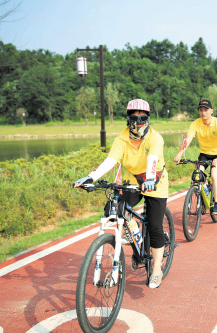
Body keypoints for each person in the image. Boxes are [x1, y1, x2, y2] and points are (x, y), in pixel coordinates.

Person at [73, 99, 169, 289]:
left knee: (155, 226)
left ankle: (156, 269)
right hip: (132, 180)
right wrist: (90, 178)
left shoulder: (155, 137)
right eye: (134, 117)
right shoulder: (121, 139)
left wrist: (150, 179)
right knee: (112, 209)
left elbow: (152, 159)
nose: (138, 121)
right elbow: (110, 161)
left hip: (155, 181)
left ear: (148, 119)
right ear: (128, 119)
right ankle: (134, 236)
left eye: (143, 117)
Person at [174, 100, 217, 215]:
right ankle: (203, 195)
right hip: (204, 153)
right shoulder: (195, 124)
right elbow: (187, 141)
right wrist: (179, 155)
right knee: (197, 176)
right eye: (201, 110)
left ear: (211, 111)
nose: (203, 113)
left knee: (214, 174)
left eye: (206, 110)